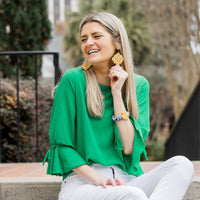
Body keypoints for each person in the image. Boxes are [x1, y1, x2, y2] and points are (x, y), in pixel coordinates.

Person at [43, 12, 194, 200]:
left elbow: (129, 147)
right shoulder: (72, 80)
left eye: (96, 36)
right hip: (83, 182)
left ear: (118, 42)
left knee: (181, 165)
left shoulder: (138, 85)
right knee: (134, 195)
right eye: (84, 39)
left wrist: (117, 94)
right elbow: (62, 145)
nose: (88, 43)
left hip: (128, 180)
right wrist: (99, 179)